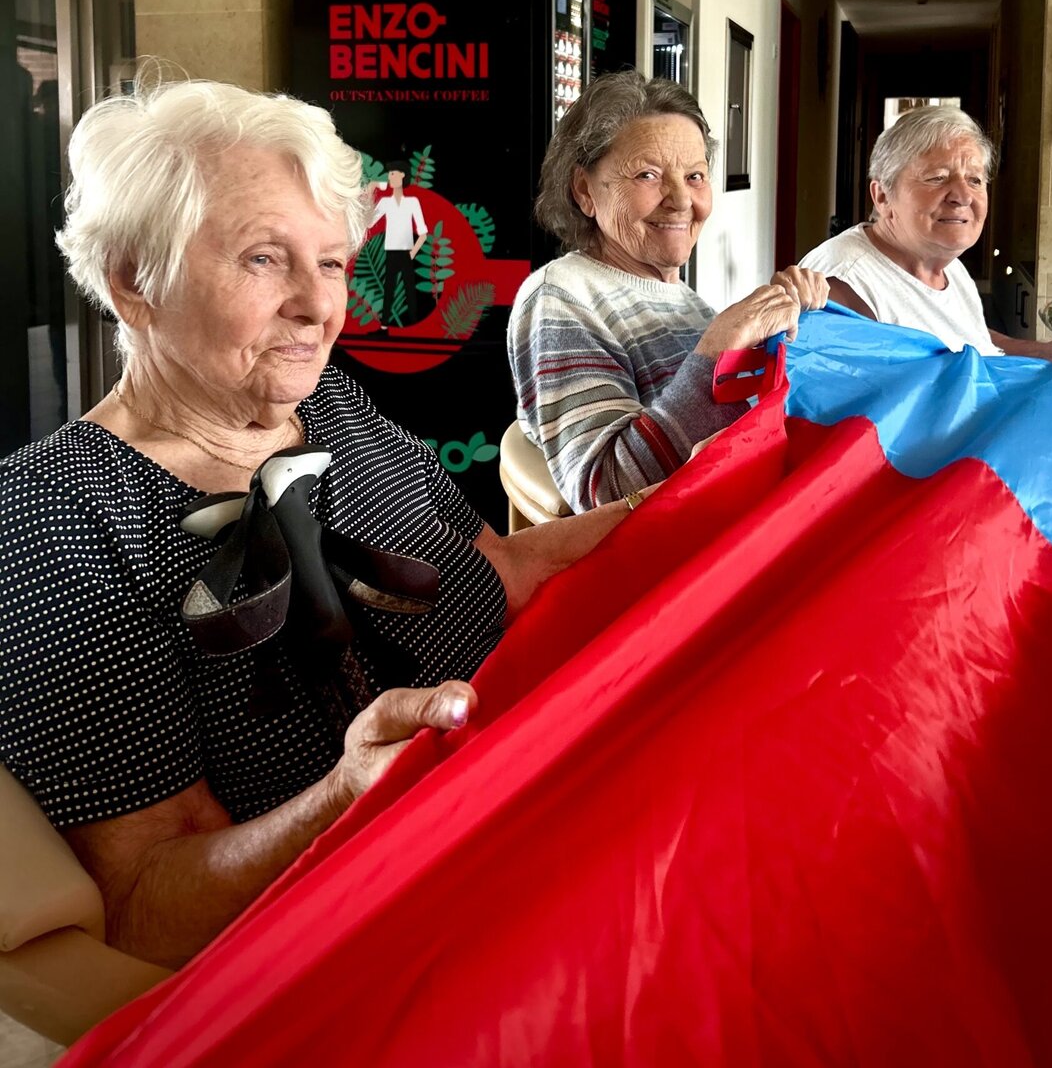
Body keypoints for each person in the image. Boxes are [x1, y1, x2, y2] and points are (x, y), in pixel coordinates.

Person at [0, 76, 652, 970]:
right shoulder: (55, 518)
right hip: (363, 950)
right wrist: (346, 797)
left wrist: (690, 502)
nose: (318, 305)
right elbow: (144, 908)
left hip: (534, 837)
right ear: (132, 281)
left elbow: (495, 571)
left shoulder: (335, 406)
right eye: (264, 259)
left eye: (334, 263)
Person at [507, 71, 827, 512]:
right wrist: (719, 350)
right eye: (648, 175)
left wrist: (787, 326)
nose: (680, 199)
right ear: (584, 191)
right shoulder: (562, 299)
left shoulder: (687, 302)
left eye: (695, 176)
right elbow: (606, 492)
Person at [800, 105, 1052, 361]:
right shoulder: (843, 287)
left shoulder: (947, 264)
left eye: (975, 180)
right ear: (883, 197)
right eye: (937, 178)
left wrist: (1041, 351)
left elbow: (970, 338)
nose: (963, 196)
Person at [368, 155, 428, 328]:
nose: (390, 177)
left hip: (407, 251)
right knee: (389, 288)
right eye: (389, 174)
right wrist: (371, 190)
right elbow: (369, 222)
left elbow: (423, 232)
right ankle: (384, 325)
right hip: (391, 251)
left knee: (410, 289)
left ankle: (414, 325)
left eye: (393, 173)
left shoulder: (412, 202)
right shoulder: (385, 202)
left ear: (402, 175)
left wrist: (412, 252)